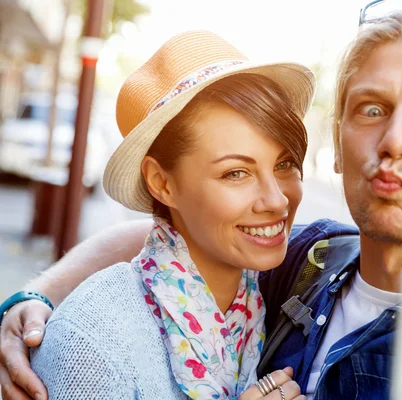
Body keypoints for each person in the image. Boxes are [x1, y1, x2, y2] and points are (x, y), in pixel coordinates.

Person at [0, 4, 402, 400]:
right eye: (371, 108)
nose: (396, 140)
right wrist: (34, 301)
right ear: (338, 145)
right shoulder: (309, 264)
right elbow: (175, 239)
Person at [0, 30, 316, 400]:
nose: (277, 200)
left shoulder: (257, 298)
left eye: (285, 163)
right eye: (236, 173)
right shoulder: (91, 342)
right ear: (161, 183)